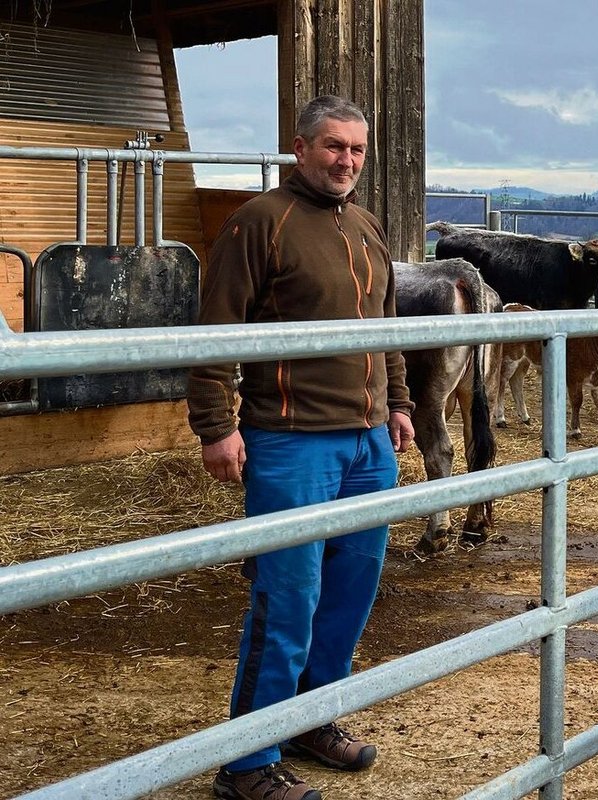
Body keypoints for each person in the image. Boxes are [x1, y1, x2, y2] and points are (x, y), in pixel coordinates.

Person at [187, 95, 415, 800]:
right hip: (290, 439)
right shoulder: (260, 223)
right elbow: (215, 328)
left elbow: (385, 324)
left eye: (356, 150)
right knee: (288, 595)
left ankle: (313, 717)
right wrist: (216, 424)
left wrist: (398, 404)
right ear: (301, 148)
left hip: (367, 441)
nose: (346, 160)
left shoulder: (368, 224)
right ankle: (248, 762)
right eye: (333, 147)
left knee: (351, 589)